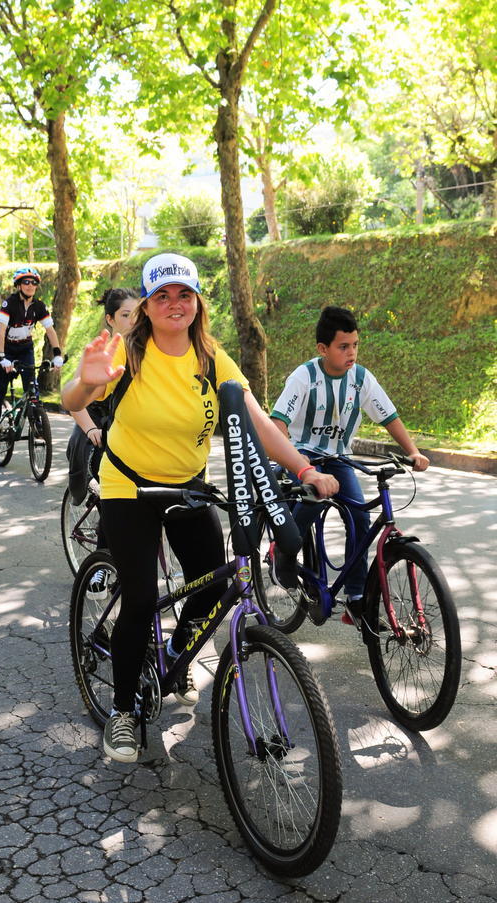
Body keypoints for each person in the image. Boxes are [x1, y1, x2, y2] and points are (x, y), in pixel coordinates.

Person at [62, 252, 339, 765]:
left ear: (197, 302)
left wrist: (305, 471)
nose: (174, 303)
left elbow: (257, 421)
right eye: (161, 295)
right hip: (130, 488)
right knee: (142, 598)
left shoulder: (212, 358)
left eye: (183, 294)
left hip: (188, 486)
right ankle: (123, 711)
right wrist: (84, 383)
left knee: (215, 581)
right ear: (145, 306)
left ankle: (174, 654)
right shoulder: (127, 352)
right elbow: (72, 396)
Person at [270, 305, 429, 621]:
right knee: (317, 495)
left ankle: (355, 598)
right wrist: (297, 460)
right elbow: (278, 423)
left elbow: (389, 416)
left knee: (359, 517)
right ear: (323, 348)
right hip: (302, 455)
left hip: (338, 457)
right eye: (343, 346)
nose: (352, 352)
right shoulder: (305, 377)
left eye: (355, 345)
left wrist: (413, 450)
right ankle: (284, 552)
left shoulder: (361, 379)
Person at [66, 287, 138, 507]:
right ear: (110, 318)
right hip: (95, 424)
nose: (133, 322)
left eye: (138, 315)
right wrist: (90, 430)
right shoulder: (99, 353)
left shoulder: (147, 351)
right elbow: (75, 401)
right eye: (125, 315)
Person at [0, 266, 64, 442]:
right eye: (25, 282)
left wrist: (57, 354)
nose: (30, 285)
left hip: (24, 349)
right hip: (4, 349)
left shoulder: (39, 306)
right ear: (19, 285)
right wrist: (1, 357)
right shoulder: (10, 304)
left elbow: (50, 330)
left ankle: (37, 425)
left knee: (32, 389)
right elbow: (1, 331)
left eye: (34, 282)